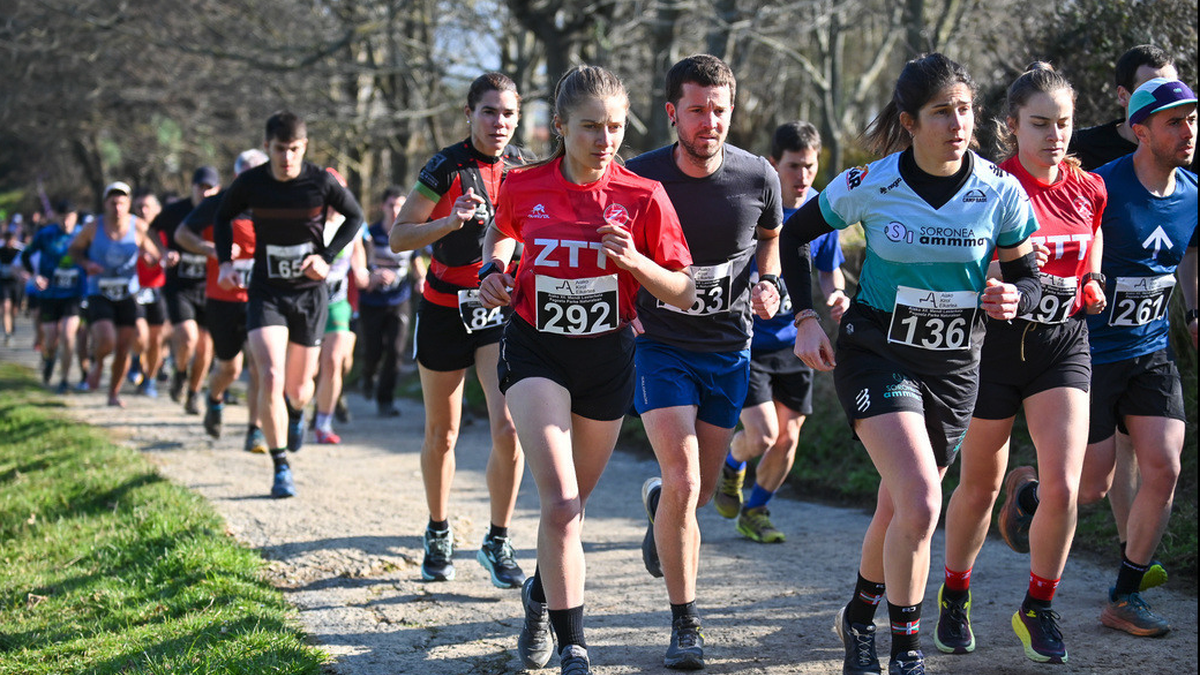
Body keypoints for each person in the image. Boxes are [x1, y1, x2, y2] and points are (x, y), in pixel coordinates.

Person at [780, 53, 1041, 675]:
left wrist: (1014, 295)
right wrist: (807, 316)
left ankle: (858, 618)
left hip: (954, 366)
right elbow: (792, 236)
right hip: (877, 352)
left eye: (965, 110)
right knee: (922, 501)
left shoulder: (1000, 192)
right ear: (910, 121)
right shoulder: (871, 182)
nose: (958, 123)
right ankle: (905, 650)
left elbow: (1030, 279)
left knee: (897, 509)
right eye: (941, 112)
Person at [479, 64, 694, 675]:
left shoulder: (642, 196)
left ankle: (540, 600)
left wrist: (636, 265)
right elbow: (501, 230)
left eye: (616, 128)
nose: (605, 141)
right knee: (561, 504)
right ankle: (575, 645)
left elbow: (681, 288)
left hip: (607, 357)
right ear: (560, 127)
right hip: (536, 349)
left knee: (572, 510)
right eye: (591, 128)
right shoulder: (524, 185)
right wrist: (493, 269)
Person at [936, 63, 1107, 665]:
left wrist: (1091, 278)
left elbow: (1093, 238)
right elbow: (961, 255)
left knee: (1064, 483)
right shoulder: (988, 186)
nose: (1054, 136)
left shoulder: (1088, 186)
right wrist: (990, 285)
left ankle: (1039, 604)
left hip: (1063, 345)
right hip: (993, 351)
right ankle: (955, 592)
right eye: (1040, 124)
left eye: (1063, 123)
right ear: (1011, 126)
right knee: (980, 485)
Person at [628, 54, 783, 670]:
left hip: (729, 348)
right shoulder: (641, 178)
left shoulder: (758, 176)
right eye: (696, 110)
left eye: (719, 109)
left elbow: (771, 239)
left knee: (694, 492)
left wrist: (769, 284)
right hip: (661, 345)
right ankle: (685, 622)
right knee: (689, 480)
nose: (709, 122)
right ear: (673, 113)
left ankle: (662, 504)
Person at [388, 72, 534, 588]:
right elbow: (399, 236)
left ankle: (498, 539)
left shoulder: (524, 168)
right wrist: (448, 222)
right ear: (469, 114)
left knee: (509, 427)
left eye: (509, 114)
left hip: (497, 310)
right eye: (489, 112)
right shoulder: (445, 167)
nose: (499, 123)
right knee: (443, 433)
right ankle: (438, 529)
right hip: (444, 309)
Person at [1070, 78, 1196, 637]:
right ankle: (1027, 488)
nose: (1188, 131)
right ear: (1140, 131)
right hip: (1093, 356)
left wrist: (1194, 313)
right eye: (1175, 121)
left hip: (1151, 353)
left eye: (1193, 119)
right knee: (1091, 488)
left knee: (1164, 467)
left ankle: (1125, 595)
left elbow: (1191, 252)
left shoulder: (1193, 191)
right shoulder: (1102, 186)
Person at [213, 111, 365, 498]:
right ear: (267, 147)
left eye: (294, 149)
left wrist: (327, 256)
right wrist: (226, 263)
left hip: (308, 295)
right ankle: (281, 465)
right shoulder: (251, 182)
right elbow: (222, 216)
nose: (287, 158)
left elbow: (355, 217)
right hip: (267, 292)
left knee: (298, 388)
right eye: (280, 150)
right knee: (271, 376)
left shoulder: (320, 181)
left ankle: (297, 413)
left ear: (304, 147)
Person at [714, 120, 850, 544]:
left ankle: (755, 511)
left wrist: (838, 296)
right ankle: (732, 465)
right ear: (773, 165)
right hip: (750, 343)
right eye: (794, 166)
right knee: (763, 435)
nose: (803, 177)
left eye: (810, 167)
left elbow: (830, 273)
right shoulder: (754, 210)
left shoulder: (821, 215)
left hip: (796, 345)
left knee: (788, 439)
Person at [176, 148, 271, 454]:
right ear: (237, 176)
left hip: (259, 297)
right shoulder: (219, 202)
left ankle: (254, 430)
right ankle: (214, 399)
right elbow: (182, 233)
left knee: (259, 365)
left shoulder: (273, 203)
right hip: (222, 299)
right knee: (229, 369)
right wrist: (211, 250)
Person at [69, 182, 167, 407]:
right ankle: (98, 362)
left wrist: (151, 258)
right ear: (105, 204)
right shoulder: (94, 227)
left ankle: (113, 393)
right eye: (112, 202)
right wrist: (86, 263)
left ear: (128, 204)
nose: (117, 206)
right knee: (106, 339)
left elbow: (153, 256)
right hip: (99, 291)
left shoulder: (139, 226)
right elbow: (74, 249)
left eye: (121, 202)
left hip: (128, 293)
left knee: (125, 346)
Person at [159, 167, 222, 413]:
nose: (205, 193)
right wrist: (163, 252)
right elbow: (151, 231)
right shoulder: (176, 211)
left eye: (210, 188)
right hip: (180, 287)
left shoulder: (223, 210)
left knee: (206, 348)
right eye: (201, 187)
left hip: (210, 288)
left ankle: (194, 393)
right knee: (187, 337)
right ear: (192, 188)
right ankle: (181, 372)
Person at [358, 187, 424, 417]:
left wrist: (421, 279)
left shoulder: (408, 233)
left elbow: (416, 262)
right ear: (382, 207)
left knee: (396, 351)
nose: (396, 210)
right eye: (392, 205)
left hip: (399, 299)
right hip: (372, 300)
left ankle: (385, 400)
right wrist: (372, 275)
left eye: (401, 206)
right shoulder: (371, 234)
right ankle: (367, 376)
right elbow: (361, 264)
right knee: (374, 351)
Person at [312, 208, 369, 444]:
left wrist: (362, 271)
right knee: (310, 371)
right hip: (309, 302)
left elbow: (358, 254)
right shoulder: (311, 222)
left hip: (338, 302)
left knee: (335, 361)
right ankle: (297, 408)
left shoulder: (351, 224)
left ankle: (323, 424)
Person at [21, 200, 87, 392]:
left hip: (74, 294)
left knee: (68, 336)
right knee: (51, 339)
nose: (66, 222)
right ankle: (49, 359)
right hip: (49, 294)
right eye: (62, 218)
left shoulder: (84, 234)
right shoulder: (45, 234)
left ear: (75, 217)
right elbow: (26, 255)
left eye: (70, 218)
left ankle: (64, 380)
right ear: (56, 217)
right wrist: (36, 276)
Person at [132, 188, 170, 397]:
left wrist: (156, 256)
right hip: (134, 289)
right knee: (139, 335)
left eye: (147, 206)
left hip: (157, 289)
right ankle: (136, 362)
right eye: (139, 207)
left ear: (158, 209)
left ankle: (150, 379)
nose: (143, 210)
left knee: (156, 340)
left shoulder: (164, 233)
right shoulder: (128, 230)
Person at [1, 229, 24, 345]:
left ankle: (12, 324)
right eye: (7, 239)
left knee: (15, 309)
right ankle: (7, 333)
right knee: (6, 306)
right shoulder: (1, 251)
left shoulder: (19, 251)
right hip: (4, 282)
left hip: (16, 283)